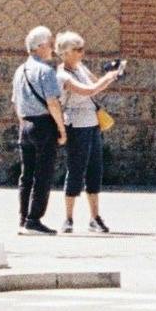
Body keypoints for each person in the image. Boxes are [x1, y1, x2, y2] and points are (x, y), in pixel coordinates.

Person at [53, 31, 126, 233]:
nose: (82, 53)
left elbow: (95, 82)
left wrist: (111, 72)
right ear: (65, 53)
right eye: (77, 49)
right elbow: (89, 91)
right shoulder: (62, 75)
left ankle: (95, 217)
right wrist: (109, 78)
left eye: (82, 48)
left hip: (92, 123)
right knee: (76, 170)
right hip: (76, 124)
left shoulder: (80, 67)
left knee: (95, 169)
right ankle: (68, 218)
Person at [12, 26, 65, 233]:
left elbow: (16, 102)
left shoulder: (20, 71)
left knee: (26, 175)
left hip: (25, 125)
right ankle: (34, 220)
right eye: (50, 44)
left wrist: (23, 124)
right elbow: (53, 103)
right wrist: (61, 129)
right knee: (43, 174)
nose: (52, 48)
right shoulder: (45, 71)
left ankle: (23, 217)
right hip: (43, 125)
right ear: (40, 46)